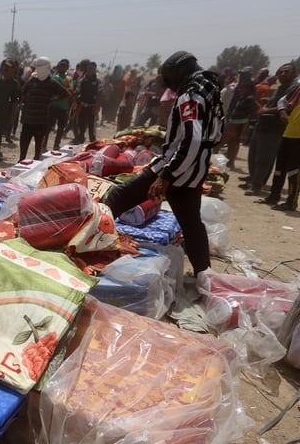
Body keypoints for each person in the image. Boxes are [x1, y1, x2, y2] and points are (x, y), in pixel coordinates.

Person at [105, 51, 224, 276]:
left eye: (168, 76)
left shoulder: (191, 96)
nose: (167, 82)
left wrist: (166, 175)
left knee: (117, 198)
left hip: (176, 168)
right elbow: (215, 137)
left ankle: (93, 247)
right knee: (191, 224)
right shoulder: (210, 92)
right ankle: (204, 276)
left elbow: (192, 139)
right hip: (194, 170)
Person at [245, 64, 297, 195]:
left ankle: (257, 185)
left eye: (287, 72)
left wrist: (267, 110)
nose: (283, 74)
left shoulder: (293, 89)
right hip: (262, 124)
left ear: (294, 74)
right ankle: (254, 180)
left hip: (274, 128)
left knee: (263, 159)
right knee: (253, 156)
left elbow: (287, 107)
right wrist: (268, 103)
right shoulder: (279, 88)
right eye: (281, 72)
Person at [258, 81, 300, 211]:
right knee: (279, 168)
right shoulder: (298, 90)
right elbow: (282, 100)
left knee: (294, 171)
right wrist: (282, 112)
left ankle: (291, 202)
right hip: (288, 133)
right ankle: (274, 196)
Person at [18, 56, 68, 161]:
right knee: (24, 144)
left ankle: (35, 162)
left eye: (41, 66)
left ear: (47, 67)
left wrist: (52, 101)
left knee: (38, 147)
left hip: (42, 120)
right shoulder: (32, 81)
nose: (39, 68)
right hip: (28, 119)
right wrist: (26, 103)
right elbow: (22, 92)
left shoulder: (52, 83)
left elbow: (65, 94)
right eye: (38, 66)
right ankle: (21, 161)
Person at [74, 61, 100, 144]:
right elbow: (77, 92)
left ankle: (92, 141)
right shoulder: (81, 80)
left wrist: (98, 106)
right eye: (89, 68)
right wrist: (76, 103)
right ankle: (81, 139)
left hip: (92, 106)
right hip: (82, 106)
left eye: (92, 69)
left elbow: (100, 94)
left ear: (95, 70)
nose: (90, 70)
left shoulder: (98, 81)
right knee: (81, 124)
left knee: (91, 125)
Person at [49, 59, 72, 150]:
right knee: (49, 127)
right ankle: (44, 145)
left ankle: (56, 144)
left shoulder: (69, 79)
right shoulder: (54, 78)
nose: (62, 68)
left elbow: (71, 90)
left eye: (64, 66)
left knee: (61, 127)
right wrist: (64, 91)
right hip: (53, 106)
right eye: (61, 66)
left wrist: (61, 93)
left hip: (63, 106)